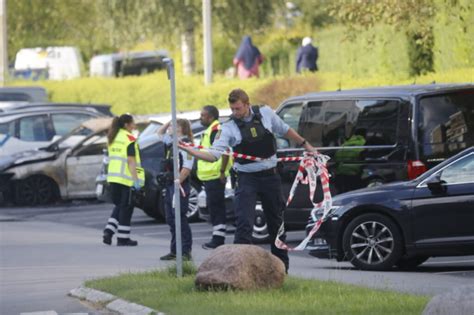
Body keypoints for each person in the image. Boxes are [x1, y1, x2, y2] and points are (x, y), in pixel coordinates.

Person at [180, 89, 315, 272]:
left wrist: (305, 145)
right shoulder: (228, 127)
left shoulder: (265, 113)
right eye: (232, 109)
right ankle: (236, 271)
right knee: (244, 223)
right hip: (246, 178)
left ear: (247, 104)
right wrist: (191, 151)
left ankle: (282, 269)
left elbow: (284, 129)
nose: (235, 113)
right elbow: (213, 155)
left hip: (270, 175)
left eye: (238, 109)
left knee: (277, 223)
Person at [103, 114, 144, 246]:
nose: (135, 126)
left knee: (120, 205)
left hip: (114, 177)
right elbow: (131, 161)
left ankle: (109, 231)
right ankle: (123, 238)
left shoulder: (113, 136)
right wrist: (136, 180)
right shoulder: (129, 138)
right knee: (126, 208)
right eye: (133, 123)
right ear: (126, 125)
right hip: (126, 178)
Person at [158, 119, 194, 261]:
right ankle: (174, 251)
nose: (169, 128)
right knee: (171, 219)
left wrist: (179, 181)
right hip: (170, 184)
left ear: (181, 128)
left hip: (179, 185)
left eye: (173, 125)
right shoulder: (171, 142)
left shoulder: (185, 144)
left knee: (179, 218)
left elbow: (187, 166)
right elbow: (159, 132)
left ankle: (185, 252)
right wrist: (169, 121)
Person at [198, 105, 232, 249]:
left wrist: (223, 172)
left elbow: (225, 152)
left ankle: (218, 240)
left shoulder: (215, 131)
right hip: (210, 175)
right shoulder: (210, 131)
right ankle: (217, 237)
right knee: (214, 208)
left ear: (211, 117)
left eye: (203, 115)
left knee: (217, 208)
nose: (201, 118)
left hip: (215, 175)